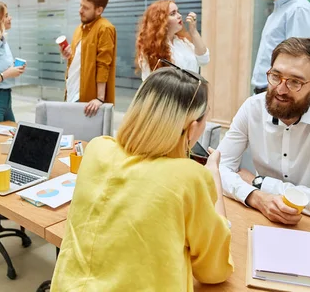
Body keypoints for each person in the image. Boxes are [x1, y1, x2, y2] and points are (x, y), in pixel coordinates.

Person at [51, 65, 234, 291]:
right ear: (192, 126)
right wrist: (213, 173)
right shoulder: (189, 177)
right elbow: (214, 271)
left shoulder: (98, 148)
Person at [218, 38, 310, 224]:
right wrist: (255, 197)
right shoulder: (252, 108)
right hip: (260, 217)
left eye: (295, 82)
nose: (280, 89)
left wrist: (260, 182)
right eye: (275, 76)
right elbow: (216, 169)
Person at [60, 0, 117, 117]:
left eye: (86, 8)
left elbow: (103, 64)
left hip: (89, 99)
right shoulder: (79, 29)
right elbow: (80, 60)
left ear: (99, 10)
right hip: (71, 92)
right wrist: (67, 55)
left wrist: (100, 98)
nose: (80, 11)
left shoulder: (105, 28)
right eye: (81, 6)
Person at [136, 0, 209, 80]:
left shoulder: (183, 42)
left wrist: (193, 31)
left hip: (192, 91)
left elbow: (204, 60)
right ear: (161, 21)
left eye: (178, 11)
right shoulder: (151, 49)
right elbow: (151, 82)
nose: (179, 16)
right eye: (173, 13)